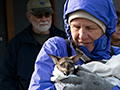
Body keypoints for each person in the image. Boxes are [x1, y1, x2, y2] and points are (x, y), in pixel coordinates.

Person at [28, 0, 120, 90]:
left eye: (90, 28)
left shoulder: (117, 57)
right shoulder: (57, 48)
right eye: (76, 27)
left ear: (105, 30)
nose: (82, 36)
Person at [0, 0, 67, 90]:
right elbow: (6, 78)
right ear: (29, 17)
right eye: (38, 15)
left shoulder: (64, 39)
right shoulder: (17, 43)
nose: (44, 19)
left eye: (47, 14)